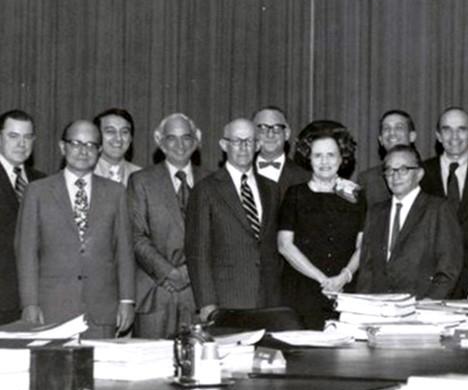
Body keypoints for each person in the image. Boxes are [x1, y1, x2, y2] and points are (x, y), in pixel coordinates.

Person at [16, 120, 135, 337]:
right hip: (50, 310)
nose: (83, 151)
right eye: (76, 143)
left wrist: (127, 300)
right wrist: (29, 303)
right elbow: (26, 252)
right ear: (63, 147)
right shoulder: (37, 192)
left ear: (99, 150)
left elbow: (124, 251)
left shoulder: (116, 192)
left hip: (102, 311)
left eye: (91, 145)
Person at [185, 119, 280, 322]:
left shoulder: (271, 189)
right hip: (225, 301)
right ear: (223, 145)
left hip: (268, 301)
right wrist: (206, 303)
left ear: (258, 145)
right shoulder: (206, 189)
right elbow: (198, 252)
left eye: (249, 141)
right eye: (236, 141)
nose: (243, 147)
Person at [127, 113, 211, 338]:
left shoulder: (213, 181)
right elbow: (135, 235)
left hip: (199, 295)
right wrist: (169, 273)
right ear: (159, 140)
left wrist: (188, 273)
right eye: (171, 138)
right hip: (156, 293)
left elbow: (219, 237)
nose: (180, 145)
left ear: (197, 140)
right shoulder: (141, 181)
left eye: (186, 137)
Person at [277, 121, 365, 327]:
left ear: (342, 157)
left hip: (345, 292)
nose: (324, 161)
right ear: (309, 158)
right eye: (317, 155)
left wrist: (343, 277)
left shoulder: (357, 195)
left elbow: (364, 245)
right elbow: (285, 246)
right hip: (303, 290)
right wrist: (324, 280)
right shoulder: (295, 194)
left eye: (331, 155)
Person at [357, 144, 461, 298]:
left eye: (404, 169)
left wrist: (430, 302)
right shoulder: (376, 212)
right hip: (379, 309)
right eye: (389, 170)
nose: (395, 176)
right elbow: (367, 269)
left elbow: (449, 267)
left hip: (421, 308)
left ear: (419, 174)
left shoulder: (438, 209)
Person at [419, 107, 468, 298]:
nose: (454, 136)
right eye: (446, 129)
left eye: (461, 129)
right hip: (432, 280)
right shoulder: (419, 173)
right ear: (438, 135)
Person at [0, 110, 44, 324]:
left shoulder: (43, 182)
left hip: (38, 303)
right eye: (13, 136)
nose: (21, 144)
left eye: (27, 137)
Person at [359, 110, 417, 206]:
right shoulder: (367, 180)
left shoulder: (429, 175)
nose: (392, 133)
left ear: (412, 136)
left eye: (399, 127)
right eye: (386, 128)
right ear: (380, 139)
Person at [252, 106, 311, 197]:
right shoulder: (237, 175)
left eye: (276, 128)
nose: (270, 134)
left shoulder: (306, 179)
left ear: (287, 134)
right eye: (263, 128)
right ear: (252, 133)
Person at [93, 108, 142, 185]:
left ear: (131, 138)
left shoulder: (140, 176)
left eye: (124, 132)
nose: (118, 138)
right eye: (110, 131)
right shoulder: (84, 173)